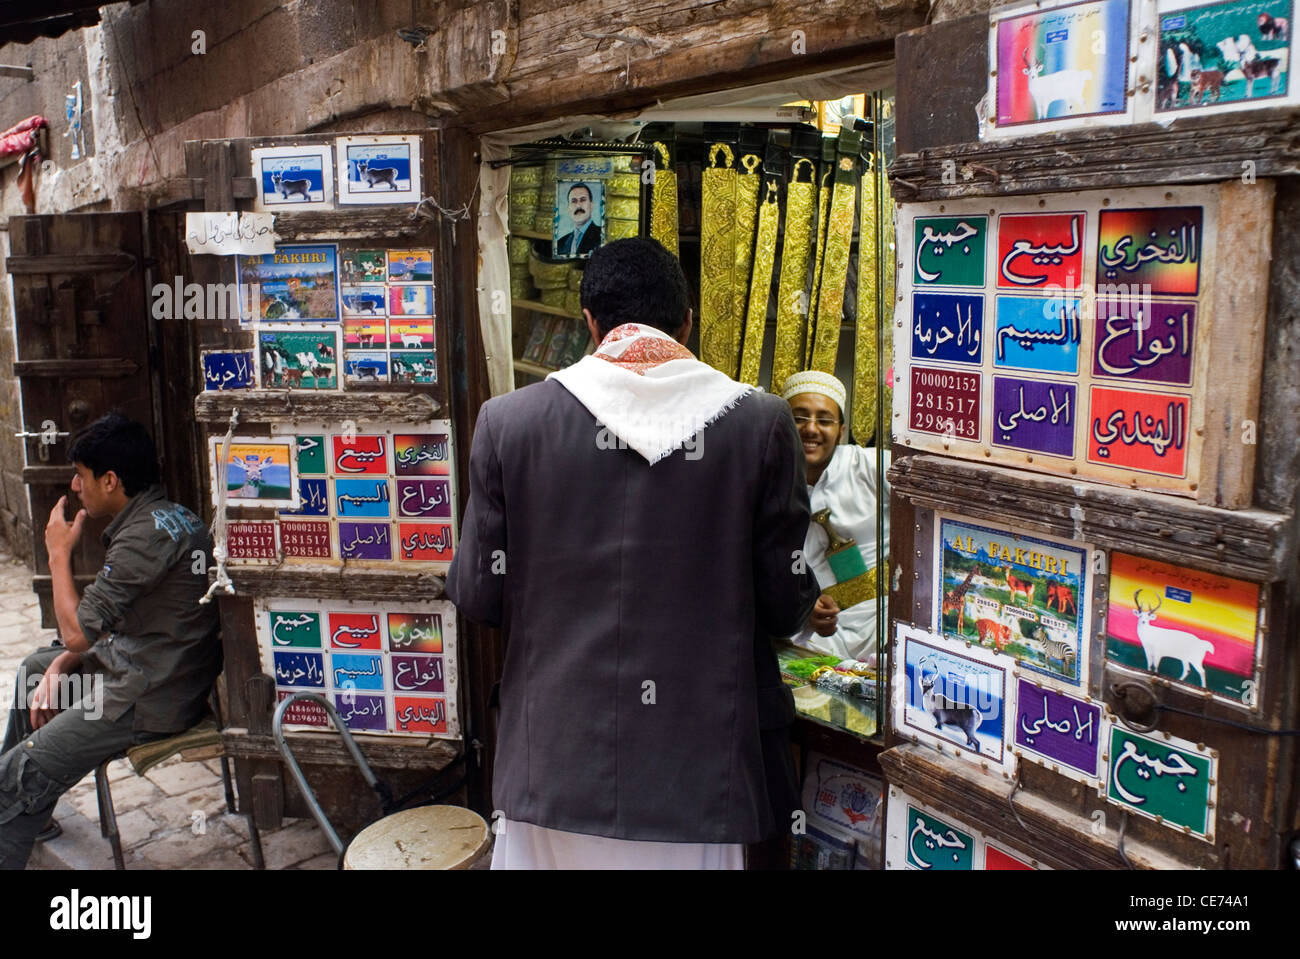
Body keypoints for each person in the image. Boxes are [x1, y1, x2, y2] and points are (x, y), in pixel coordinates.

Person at [447, 237, 818, 869]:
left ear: (589, 322)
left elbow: (481, 595)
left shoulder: (508, 422)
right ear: (687, 323)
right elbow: (785, 606)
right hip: (700, 772)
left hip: (553, 765)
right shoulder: (760, 424)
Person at [0, 413, 221, 869]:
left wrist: (58, 554)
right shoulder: (171, 516)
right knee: (35, 674)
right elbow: (100, 634)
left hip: (147, 698)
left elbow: (78, 632)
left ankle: (17, 797)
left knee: (22, 769)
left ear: (110, 480)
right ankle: (30, 813)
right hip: (143, 669)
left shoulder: (143, 538)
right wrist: (61, 666)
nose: (75, 487)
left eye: (81, 477)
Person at [782, 371, 890, 665]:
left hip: (884, 634)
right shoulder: (766, 487)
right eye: (799, 418)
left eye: (824, 420)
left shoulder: (870, 466)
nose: (811, 429)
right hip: (811, 645)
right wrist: (803, 608)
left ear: (841, 430)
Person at [554, 182, 602, 256]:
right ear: (568, 208)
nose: (578, 205)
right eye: (574, 201)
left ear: (591, 205)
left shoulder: (602, 236)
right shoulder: (560, 243)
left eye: (583, 200)